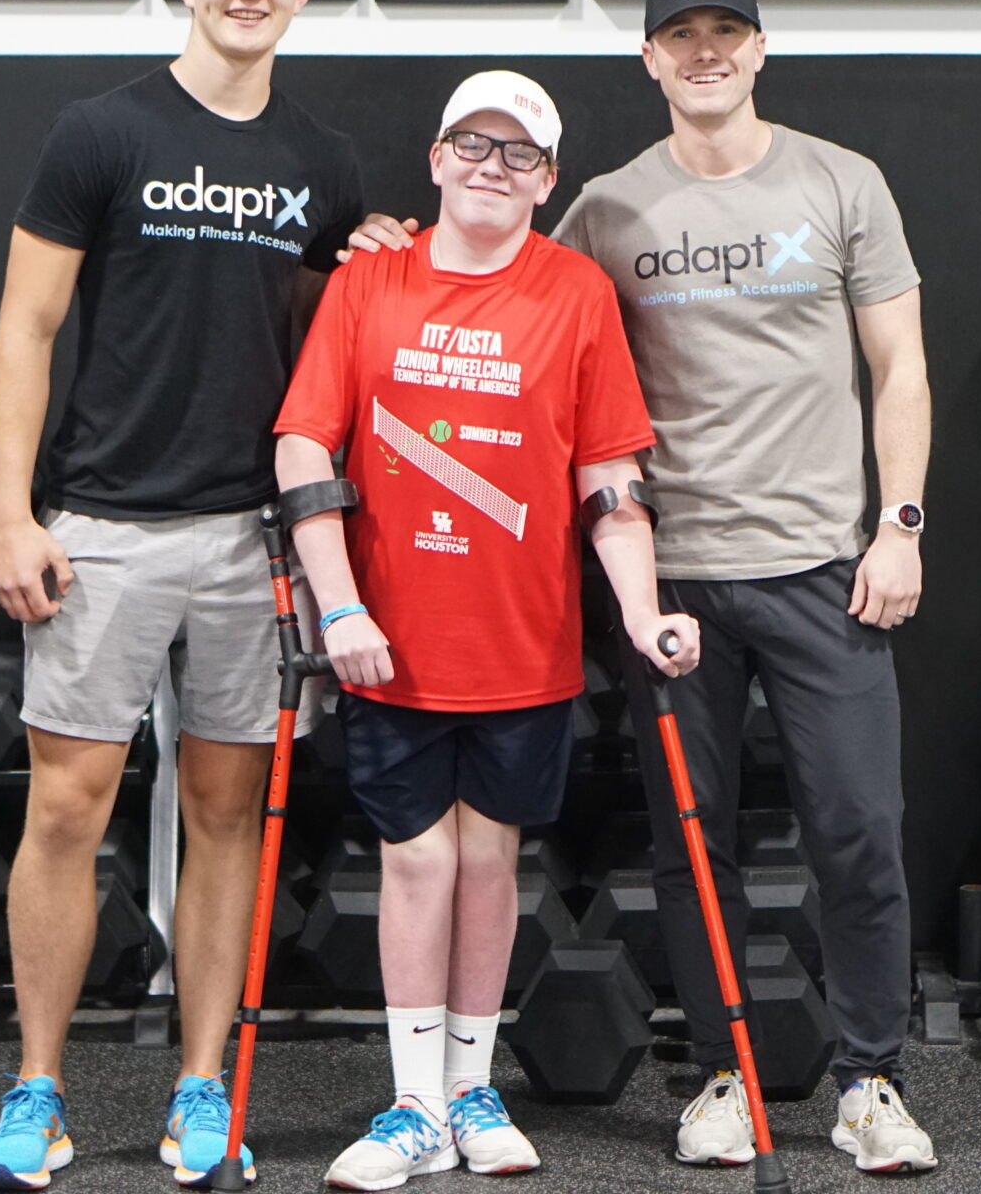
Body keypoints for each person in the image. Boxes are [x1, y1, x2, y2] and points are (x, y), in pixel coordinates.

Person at [355, 0, 937, 1175]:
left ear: (761, 50)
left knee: (859, 832)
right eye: (683, 35)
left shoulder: (845, 182)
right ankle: (720, 1077)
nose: (706, 52)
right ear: (650, 59)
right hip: (670, 582)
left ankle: (871, 1081)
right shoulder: (613, 208)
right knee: (689, 843)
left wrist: (901, 524)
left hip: (824, 569)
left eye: (727, 32)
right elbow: (497, 275)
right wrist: (390, 250)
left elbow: (899, 369)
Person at [0, 0, 367, 1193]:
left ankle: (205, 1089)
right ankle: (38, 1094)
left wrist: (375, 259)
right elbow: (25, 331)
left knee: (225, 817)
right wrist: (14, 513)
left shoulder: (315, 164)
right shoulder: (100, 132)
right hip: (103, 532)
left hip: (248, 539)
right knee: (68, 809)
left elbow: (320, 352)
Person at [274, 71, 701, 1191]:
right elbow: (302, 451)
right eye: (473, 144)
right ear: (434, 157)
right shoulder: (369, 286)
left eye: (517, 154)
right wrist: (342, 605)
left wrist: (645, 610)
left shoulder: (574, 293)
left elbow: (609, 476)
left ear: (547, 179)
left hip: (522, 642)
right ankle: (413, 1104)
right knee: (416, 863)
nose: (490, 166)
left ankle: (471, 1088)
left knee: (488, 860)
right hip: (391, 641)